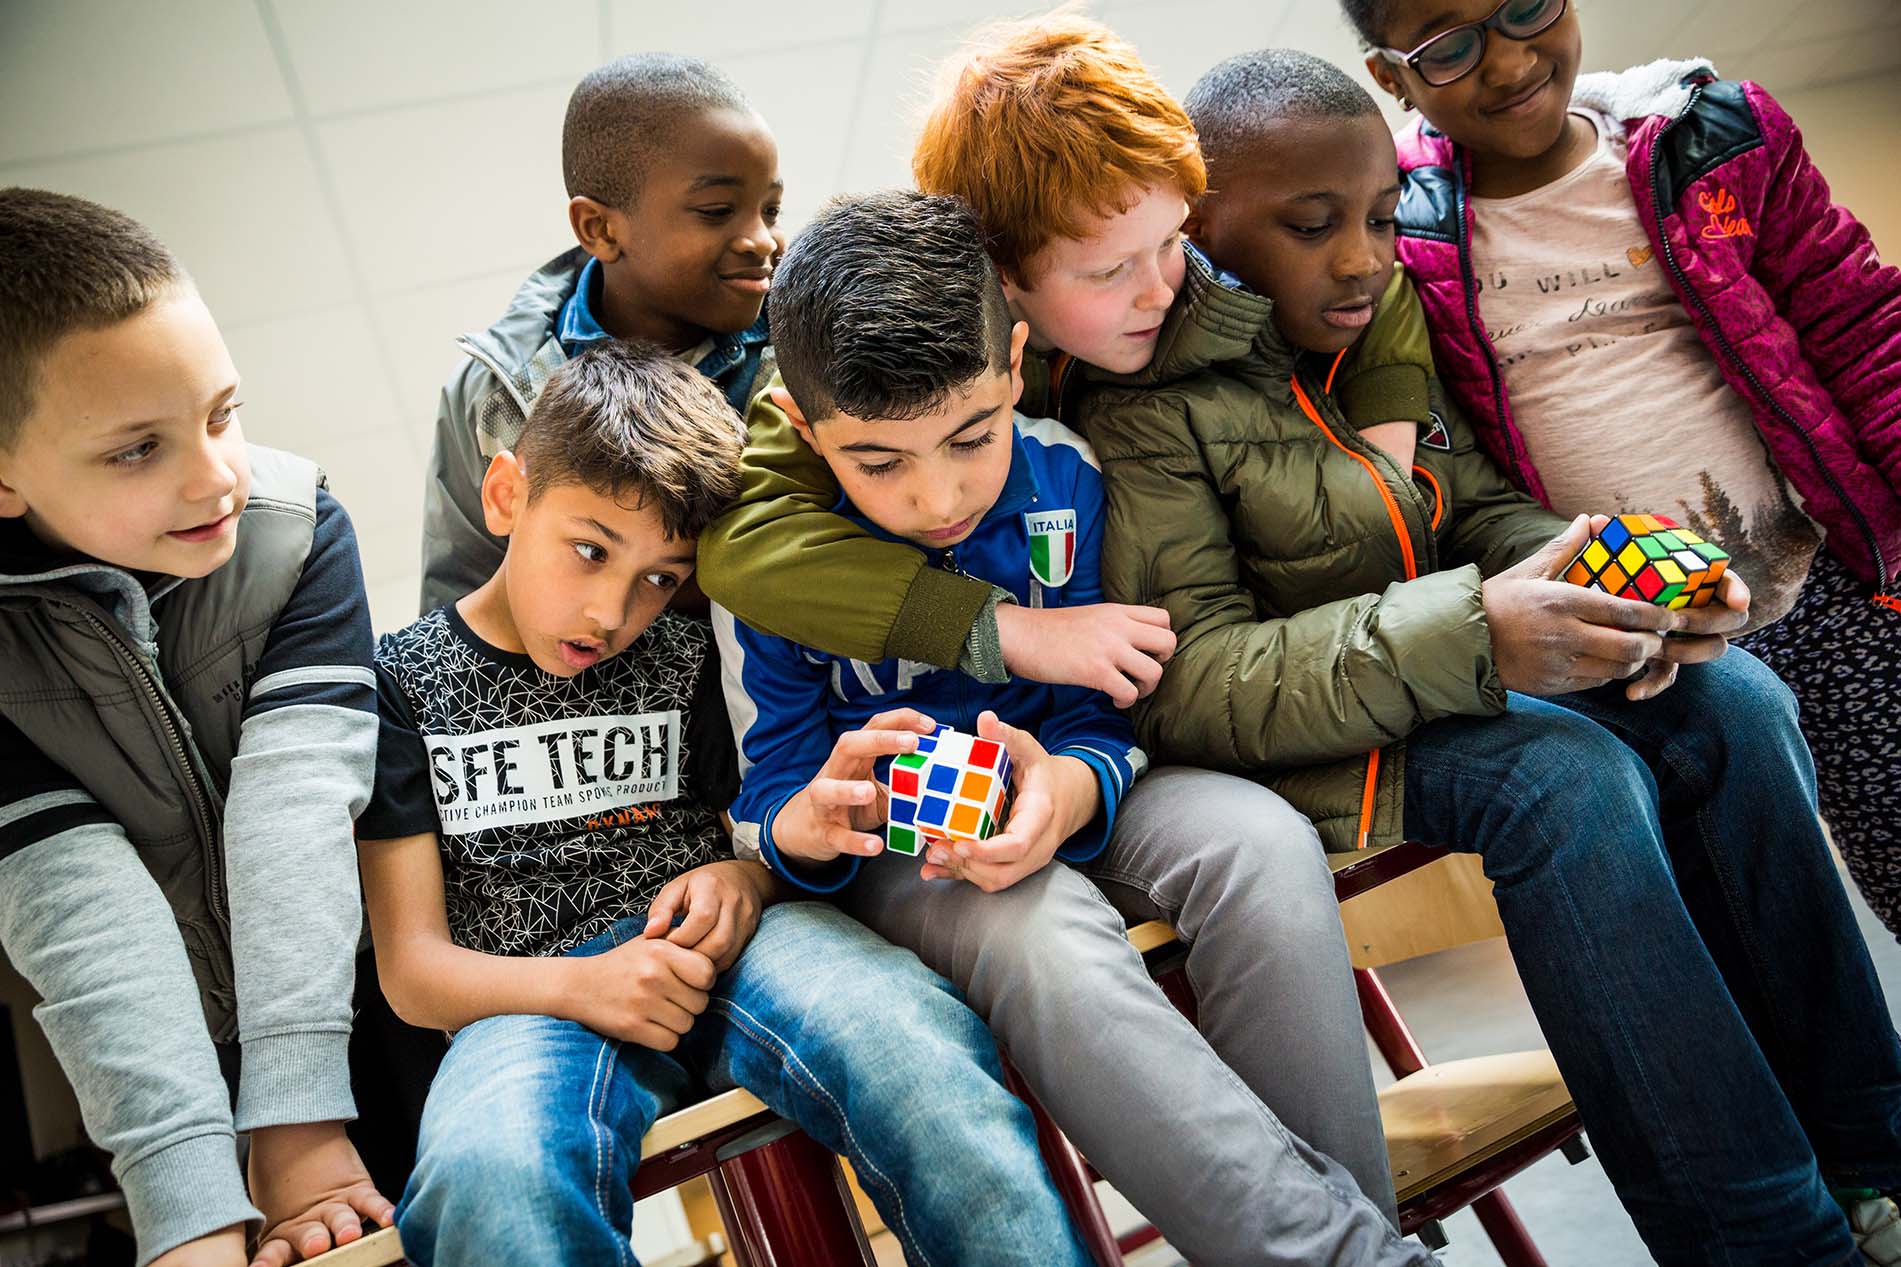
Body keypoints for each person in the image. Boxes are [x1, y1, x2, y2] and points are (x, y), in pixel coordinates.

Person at [1082, 47, 1901, 1267]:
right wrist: (1476, 628)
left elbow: (1472, 513)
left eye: (1372, 215)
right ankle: (1764, 1238)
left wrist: (1605, 572)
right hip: (1282, 745)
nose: (1361, 256)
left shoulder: (1373, 325)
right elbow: (1198, 680)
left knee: (1732, 697)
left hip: (1427, 670)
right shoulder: (1144, 403)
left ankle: (1875, 1163)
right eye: (1311, 227)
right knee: (1562, 781)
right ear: (1197, 228)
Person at [718, 188, 1438, 1267]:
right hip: (910, 857)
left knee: (1256, 839)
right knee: (1040, 931)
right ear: (807, 430)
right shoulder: (774, 561)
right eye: (878, 463)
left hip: (1084, 784)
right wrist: (806, 826)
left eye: (972, 435)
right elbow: (769, 793)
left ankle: (1347, 1243)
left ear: (1013, 365)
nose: (937, 496)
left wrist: (1068, 782)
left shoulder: (1069, 474)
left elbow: (1110, 713)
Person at [358, 339, 1093, 1266]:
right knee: (487, 1175)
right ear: (507, 496)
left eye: (659, 577)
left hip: (746, 951)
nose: (610, 610)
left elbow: (762, 828)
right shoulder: (398, 684)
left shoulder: (691, 649)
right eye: (588, 551)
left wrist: (746, 879)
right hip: (529, 997)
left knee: (914, 1049)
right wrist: (581, 984)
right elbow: (413, 970)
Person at [1345, 0, 1901, 945]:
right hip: (1635, 660)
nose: (1510, 60)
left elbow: (1862, 330)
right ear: (1391, 81)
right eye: (1450, 48)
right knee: (1750, 934)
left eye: (1525, 8)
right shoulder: (1401, 229)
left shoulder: (1712, 141)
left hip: (1823, 596)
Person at [694, 13, 1436, 707]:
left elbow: (1373, 273)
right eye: (1108, 272)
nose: (1160, 291)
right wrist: (1003, 629)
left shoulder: (1157, 245)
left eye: (1172, 241)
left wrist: (1386, 437)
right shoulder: (879, 359)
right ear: (1001, 269)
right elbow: (745, 548)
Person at [0, 188, 390, 1267]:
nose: (215, 475)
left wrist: (302, 1124)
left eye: (222, 412)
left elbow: (294, 815)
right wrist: (188, 1213)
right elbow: (82, 917)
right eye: (137, 450)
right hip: (156, 1080)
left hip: (362, 1020)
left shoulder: (296, 530)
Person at [420, 52, 780, 612]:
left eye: (771, 209)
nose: (762, 240)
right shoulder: (494, 390)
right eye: (717, 211)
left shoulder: (803, 359)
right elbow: (459, 602)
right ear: (600, 228)